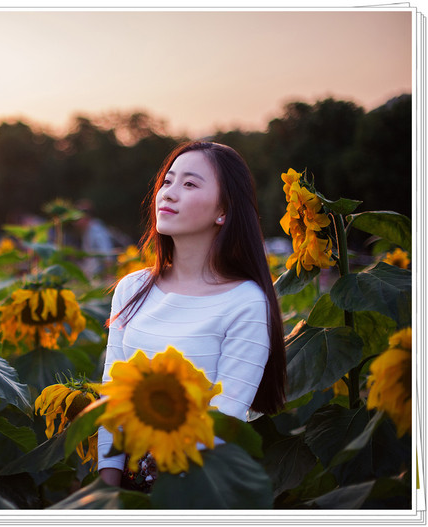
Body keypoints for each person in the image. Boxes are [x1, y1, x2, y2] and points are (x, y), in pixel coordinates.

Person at [97, 141, 286, 489]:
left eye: (189, 184)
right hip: (127, 487)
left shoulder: (245, 302)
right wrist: (107, 492)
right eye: (167, 181)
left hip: (197, 489)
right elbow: (112, 397)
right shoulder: (132, 289)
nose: (168, 193)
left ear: (223, 211)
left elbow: (224, 422)